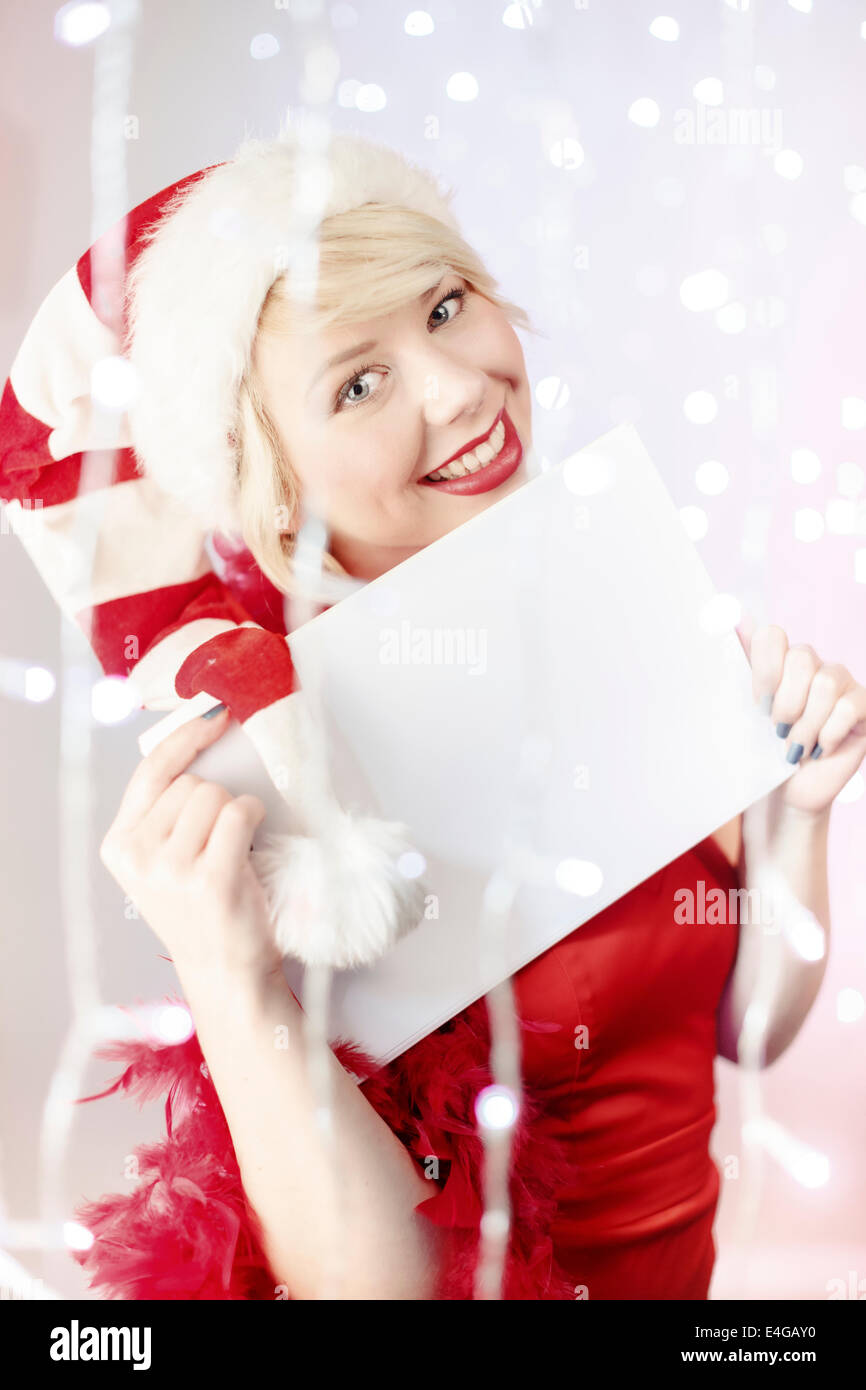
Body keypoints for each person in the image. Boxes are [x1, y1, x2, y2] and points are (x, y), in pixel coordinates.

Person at [3, 126, 863, 1300]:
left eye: (448, 306)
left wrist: (799, 816)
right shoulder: (287, 765)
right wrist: (231, 976)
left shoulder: (616, 601)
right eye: (359, 382)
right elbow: (376, 1294)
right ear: (269, 479)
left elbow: (738, 1032)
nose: (461, 386)